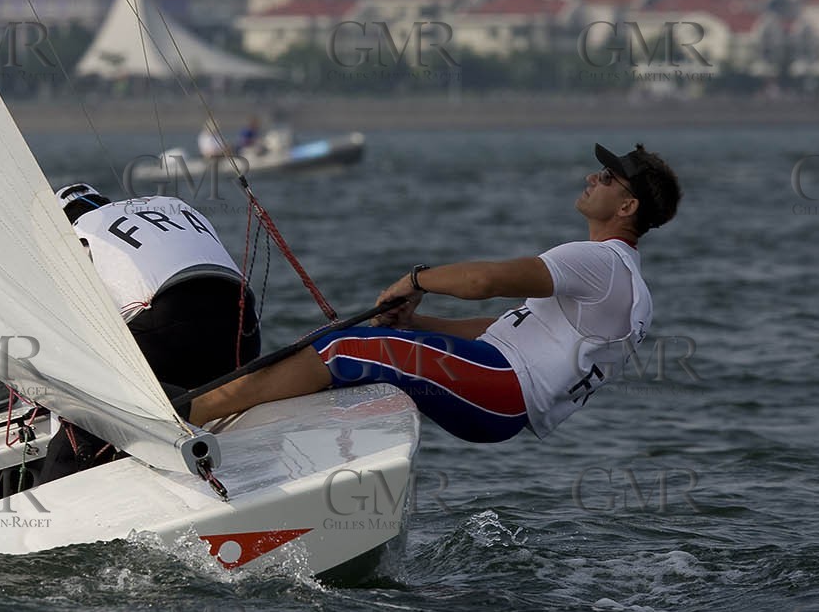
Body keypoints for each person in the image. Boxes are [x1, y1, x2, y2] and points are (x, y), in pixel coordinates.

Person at [185, 144, 681, 445]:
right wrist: (415, 324)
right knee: (350, 349)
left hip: (499, 390)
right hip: (497, 392)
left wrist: (416, 280)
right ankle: (229, 424)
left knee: (340, 349)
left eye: (608, 178)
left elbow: (483, 284)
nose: (593, 177)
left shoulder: (595, 261)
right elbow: (500, 332)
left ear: (628, 206)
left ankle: (178, 417)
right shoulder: (632, 284)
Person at [40, 183, 262, 478]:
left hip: (167, 329)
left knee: (88, 404)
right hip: (243, 331)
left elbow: (72, 326)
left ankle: (58, 489)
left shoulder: (79, 235)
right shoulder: (169, 206)